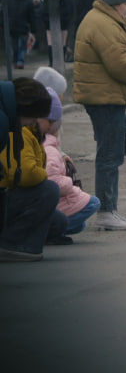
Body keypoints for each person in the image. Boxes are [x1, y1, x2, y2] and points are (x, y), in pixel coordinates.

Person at [73, 0, 126, 231]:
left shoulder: (104, 20)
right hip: (104, 98)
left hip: (105, 95)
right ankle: (106, 210)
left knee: (111, 152)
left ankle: (110, 209)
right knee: (110, 154)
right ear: (116, 2)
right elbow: (119, 63)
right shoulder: (103, 23)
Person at [0, 79, 61, 261]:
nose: (30, 124)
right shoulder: (4, 123)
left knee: (58, 221)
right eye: (33, 119)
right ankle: (13, 246)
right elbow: (26, 174)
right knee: (49, 190)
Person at [40, 88, 101, 238]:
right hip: (58, 200)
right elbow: (52, 182)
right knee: (93, 203)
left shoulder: (45, 146)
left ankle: (56, 227)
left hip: (55, 201)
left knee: (80, 225)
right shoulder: (50, 150)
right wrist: (69, 182)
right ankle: (48, 231)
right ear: (55, 127)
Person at [5, 0, 35, 69]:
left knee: (22, 47)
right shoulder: (9, 1)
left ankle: (20, 62)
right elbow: (4, 14)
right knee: (15, 47)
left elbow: (31, 16)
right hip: (12, 28)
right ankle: (15, 61)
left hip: (23, 28)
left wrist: (33, 29)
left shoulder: (28, 2)